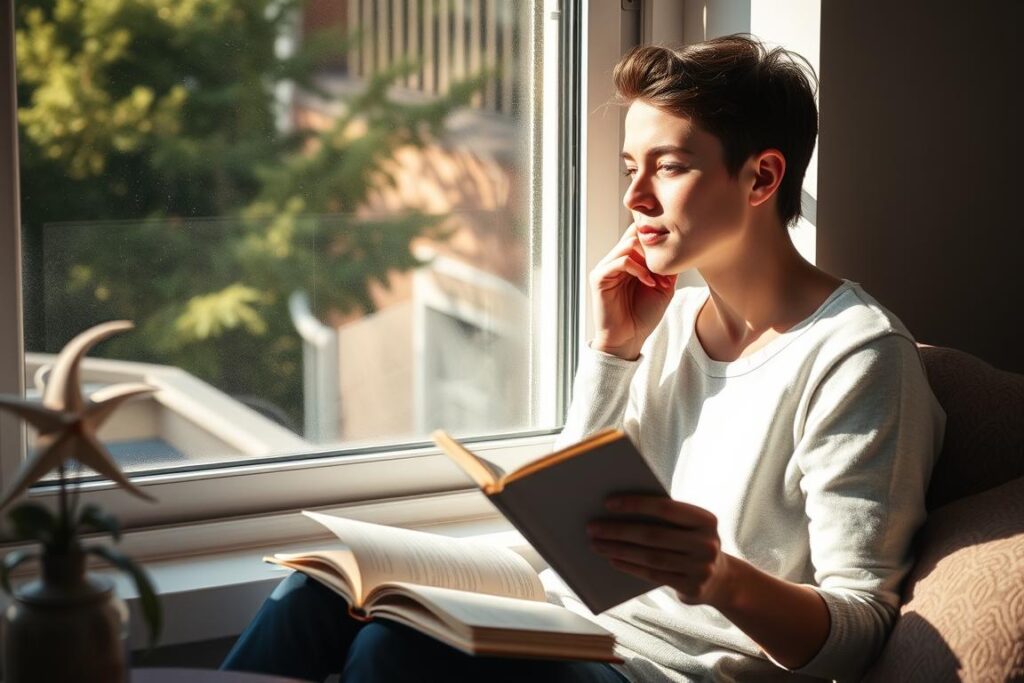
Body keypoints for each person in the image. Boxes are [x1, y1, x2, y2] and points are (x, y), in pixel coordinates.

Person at [222, 35, 944, 682]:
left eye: (667, 167)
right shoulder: (666, 322)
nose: (634, 196)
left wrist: (720, 577)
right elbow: (572, 542)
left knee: (394, 653)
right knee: (313, 593)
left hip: (662, 670)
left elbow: (861, 634)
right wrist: (611, 352)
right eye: (631, 166)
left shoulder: (857, 356)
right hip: (572, 624)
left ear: (760, 178)